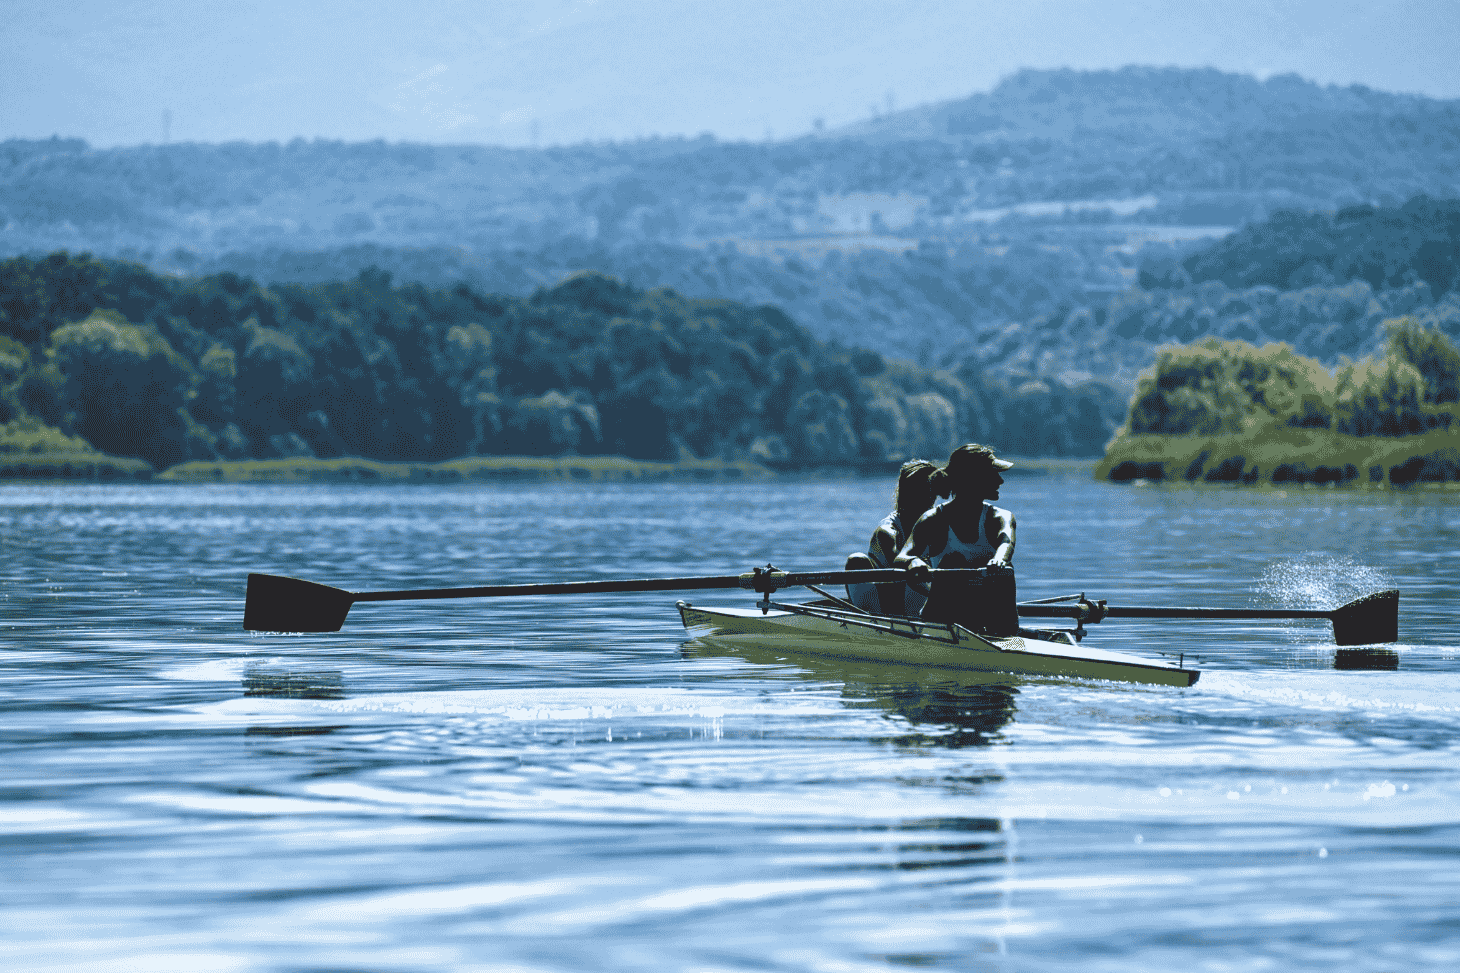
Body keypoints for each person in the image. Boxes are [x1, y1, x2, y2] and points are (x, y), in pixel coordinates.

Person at [894, 444, 1019, 636]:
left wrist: (1000, 559)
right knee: (955, 561)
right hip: (943, 620)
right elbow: (903, 555)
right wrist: (913, 561)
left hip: (989, 620)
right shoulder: (932, 519)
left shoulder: (1001, 517)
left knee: (1004, 573)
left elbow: (1006, 542)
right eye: (993, 473)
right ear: (973, 478)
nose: (1000, 480)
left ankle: (1007, 637)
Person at [844, 459, 939, 615]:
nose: (930, 499)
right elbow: (900, 563)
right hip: (887, 608)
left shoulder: (938, 525)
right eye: (923, 491)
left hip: (921, 601)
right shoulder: (887, 531)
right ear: (907, 493)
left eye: (932, 491)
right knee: (856, 560)